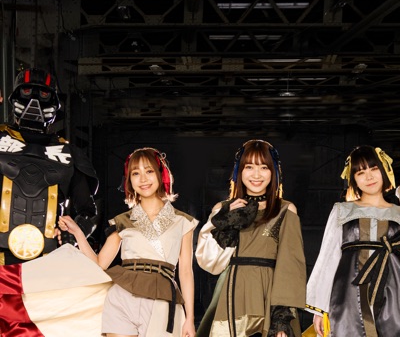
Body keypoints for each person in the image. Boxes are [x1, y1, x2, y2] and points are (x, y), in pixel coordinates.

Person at [58, 146, 198, 337]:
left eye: (149, 171)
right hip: (122, 297)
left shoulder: (183, 222)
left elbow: (186, 272)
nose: (143, 179)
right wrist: (78, 233)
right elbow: (99, 264)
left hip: (162, 298)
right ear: (129, 180)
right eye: (135, 173)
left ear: (161, 174)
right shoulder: (122, 221)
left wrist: (190, 319)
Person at [195, 139, 307, 337]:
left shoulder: (285, 210)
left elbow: (291, 266)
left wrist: (280, 318)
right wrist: (225, 220)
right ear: (239, 171)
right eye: (249, 167)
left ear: (274, 172)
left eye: (264, 167)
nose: (256, 174)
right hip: (231, 293)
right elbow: (209, 262)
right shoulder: (223, 209)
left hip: (268, 295)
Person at [0, 67, 100, 264]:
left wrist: (74, 233)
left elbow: (87, 210)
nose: (34, 101)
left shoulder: (69, 154)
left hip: (48, 258)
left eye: (43, 95)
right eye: (27, 92)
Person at [306, 145, 400, 337]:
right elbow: (328, 258)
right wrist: (320, 310)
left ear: (384, 171)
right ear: (353, 179)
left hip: (393, 293)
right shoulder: (342, 211)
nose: (369, 177)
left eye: (374, 169)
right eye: (360, 172)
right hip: (348, 295)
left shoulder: (398, 213)